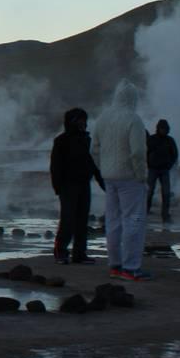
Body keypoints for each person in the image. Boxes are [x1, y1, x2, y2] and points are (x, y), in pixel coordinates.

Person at [92, 80, 150, 282]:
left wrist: (103, 169)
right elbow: (138, 152)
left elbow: (94, 150)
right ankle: (131, 267)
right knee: (133, 220)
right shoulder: (133, 119)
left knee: (113, 221)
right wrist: (141, 175)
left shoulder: (103, 118)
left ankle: (115, 265)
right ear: (133, 98)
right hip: (130, 179)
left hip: (110, 178)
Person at [49, 107, 104, 265]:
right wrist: (57, 187)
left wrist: (102, 183)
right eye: (79, 120)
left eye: (84, 120)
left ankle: (79, 254)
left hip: (83, 184)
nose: (83, 123)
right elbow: (55, 166)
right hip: (68, 186)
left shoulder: (86, 140)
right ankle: (61, 252)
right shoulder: (61, 141)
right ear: (71, 122)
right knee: (68, 219)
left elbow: (93, 164)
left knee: (82, 220)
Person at [144, 119, 179, 224]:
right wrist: (149, 163)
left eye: (165, 129)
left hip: (164, 169)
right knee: (149, 192)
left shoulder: (170, 140)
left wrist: (169, 165)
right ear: (158, 128)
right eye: (161, 128)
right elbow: (145, 152)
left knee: (166, 193)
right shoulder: (151, 139)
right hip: (153, 169)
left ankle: (165, 215)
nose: (163, 130)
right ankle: (145, 213)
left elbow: (174, 155)